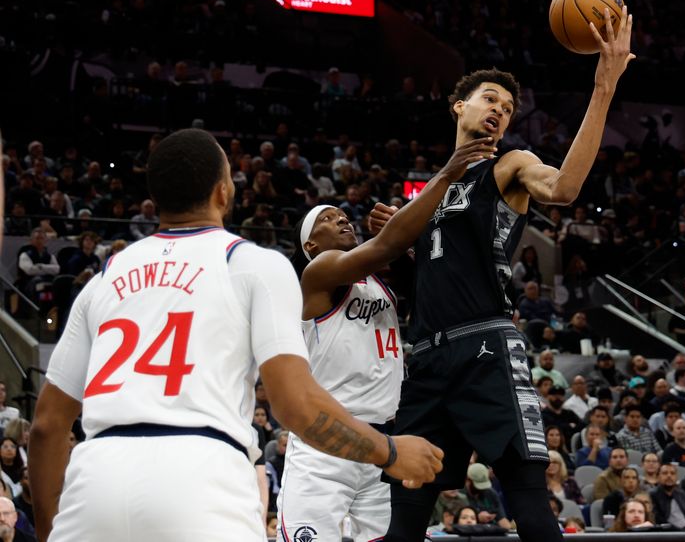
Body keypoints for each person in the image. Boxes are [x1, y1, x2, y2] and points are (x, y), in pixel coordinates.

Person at [28, 129, 444, 542]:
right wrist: (390, 453)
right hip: (202, 475)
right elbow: (295, 404)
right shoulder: (254, 264)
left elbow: (46, 427)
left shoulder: (104, 277)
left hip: (97, 476)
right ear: (224, 191)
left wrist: (50, 529)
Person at [369, 9, 634, 542]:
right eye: (491, 99)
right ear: (459, 106)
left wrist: (603, 88)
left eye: (508, 108)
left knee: (530, 507)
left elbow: (562, 189)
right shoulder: (429, 192)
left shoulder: (509, 164)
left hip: (485, 345)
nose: (500, 112)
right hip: (426, 359)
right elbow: (431, 275)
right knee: (404, 522)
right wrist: (400, 248)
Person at [277, 139, 494, 542]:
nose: (343, 220)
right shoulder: (317, 273)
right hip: (328, 439)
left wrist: (412, 243)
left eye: (344, 215)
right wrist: (445, 175)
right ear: (310, 245)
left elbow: (430, 276)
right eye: (328, 218)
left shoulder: (380, 282)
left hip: (384, 442)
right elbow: (385, 245)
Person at [650, 463, 685, 528]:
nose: (669, 476)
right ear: (658, 477)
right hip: (669, 533)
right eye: (665, 473)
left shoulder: (681, 494)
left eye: (672, 473)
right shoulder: (653, 495)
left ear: (676, 478)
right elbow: (658, 520)